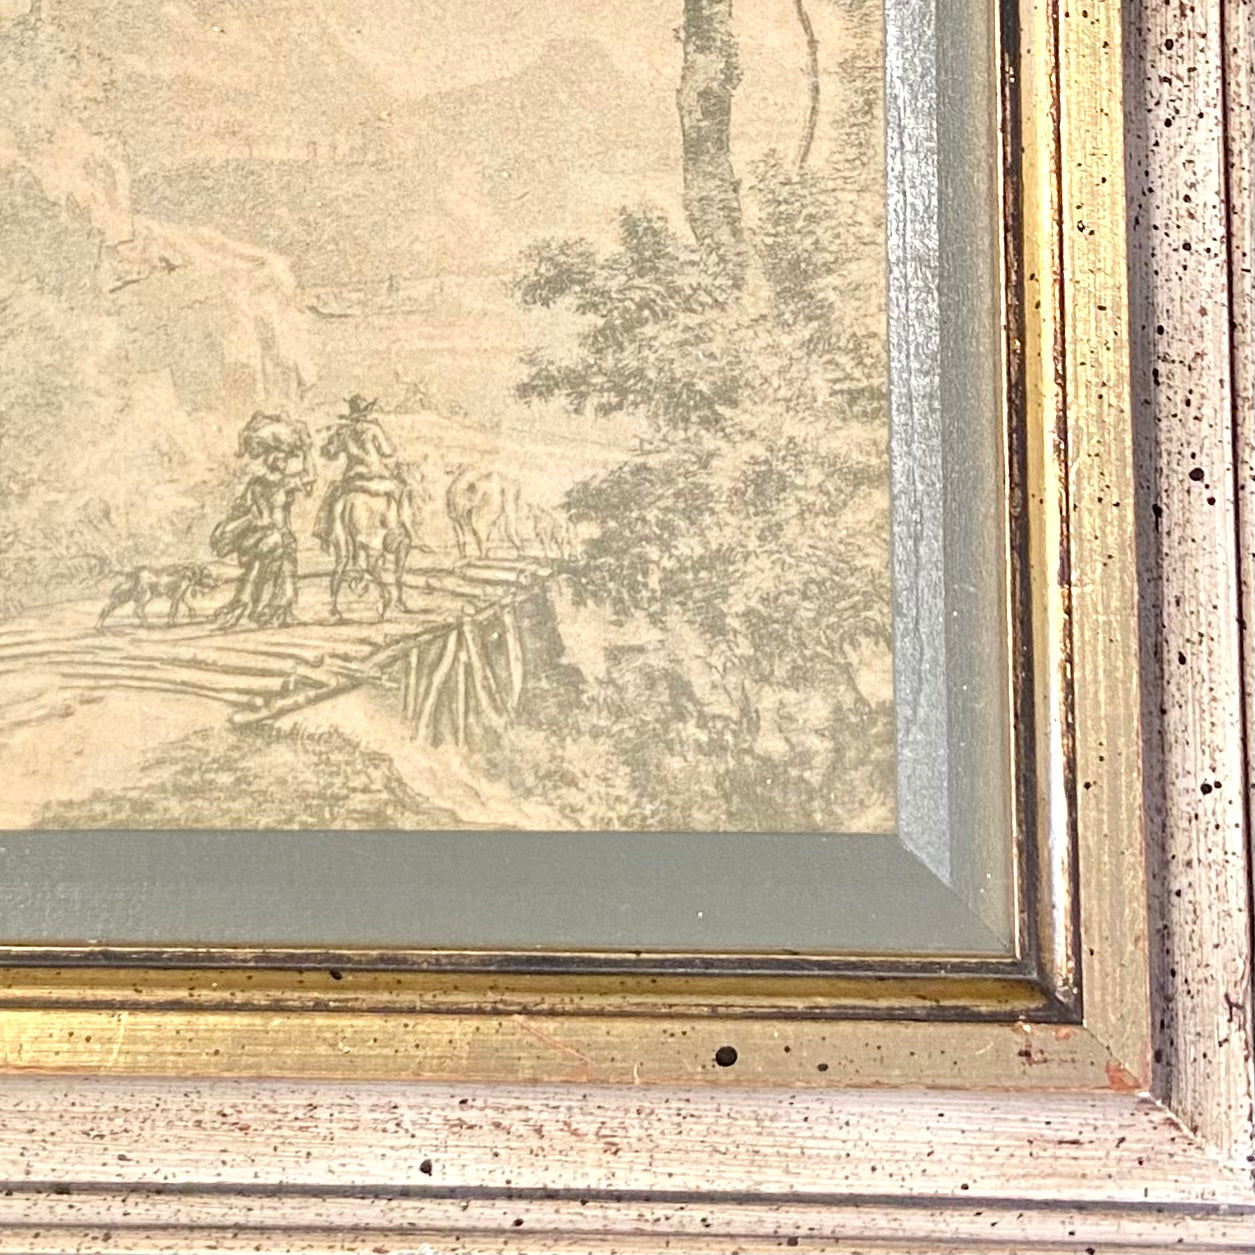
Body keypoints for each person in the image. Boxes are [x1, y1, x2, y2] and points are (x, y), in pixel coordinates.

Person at [212, 415, 314, 629]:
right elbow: (309, 476)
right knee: (276, 572)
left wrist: (307, 452)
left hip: (270, 535)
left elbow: (245, 508)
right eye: (283, 459)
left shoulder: (260, 483)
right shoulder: (281, 484)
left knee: (265, 571)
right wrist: (307, 451)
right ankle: (263, 610)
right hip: (275, 534)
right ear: (275, 460)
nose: (286, 463)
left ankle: (269, 611)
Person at [313, 395, 417, 553]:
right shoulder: (374, 428)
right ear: (367, 412)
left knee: (331, 498)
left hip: (353, 480)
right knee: (403, 493)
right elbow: (387, 452)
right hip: (378, 479)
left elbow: (330, 455)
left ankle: (326, 534)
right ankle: (406, 530)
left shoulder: (343, 431)